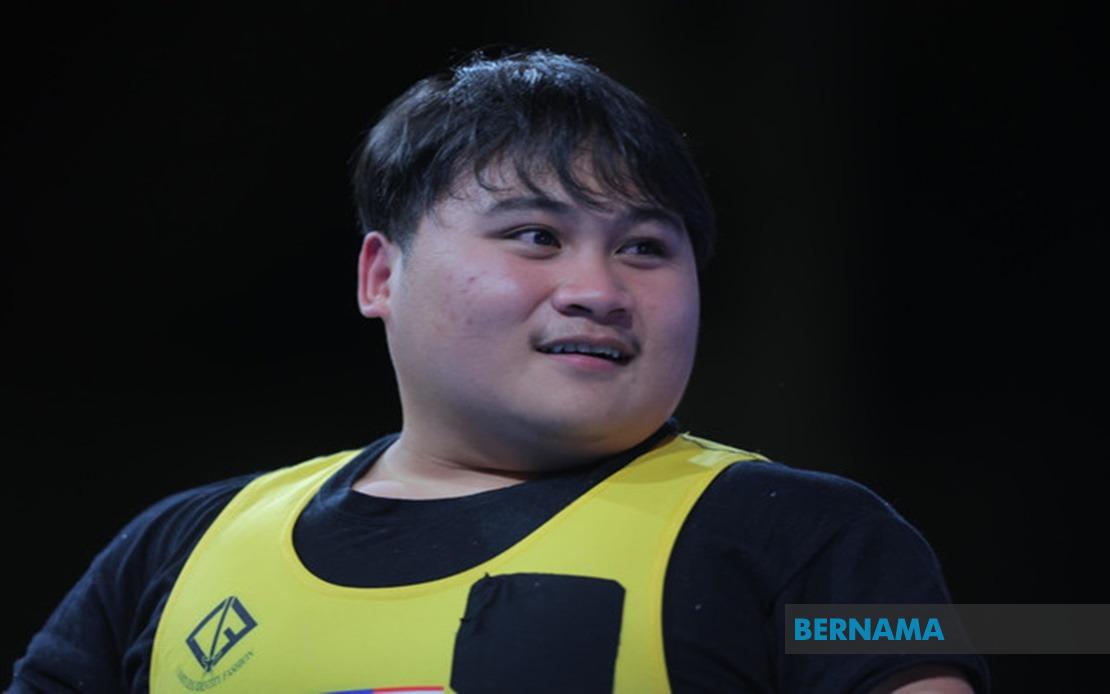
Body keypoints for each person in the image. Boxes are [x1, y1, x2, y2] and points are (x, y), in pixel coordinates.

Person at [10, 50, 988, 693]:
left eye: (645, 248)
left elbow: (1042, 634)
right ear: (381, 274)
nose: (598, 290)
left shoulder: (809, 544)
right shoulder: (178, 552)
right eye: (535, 235)